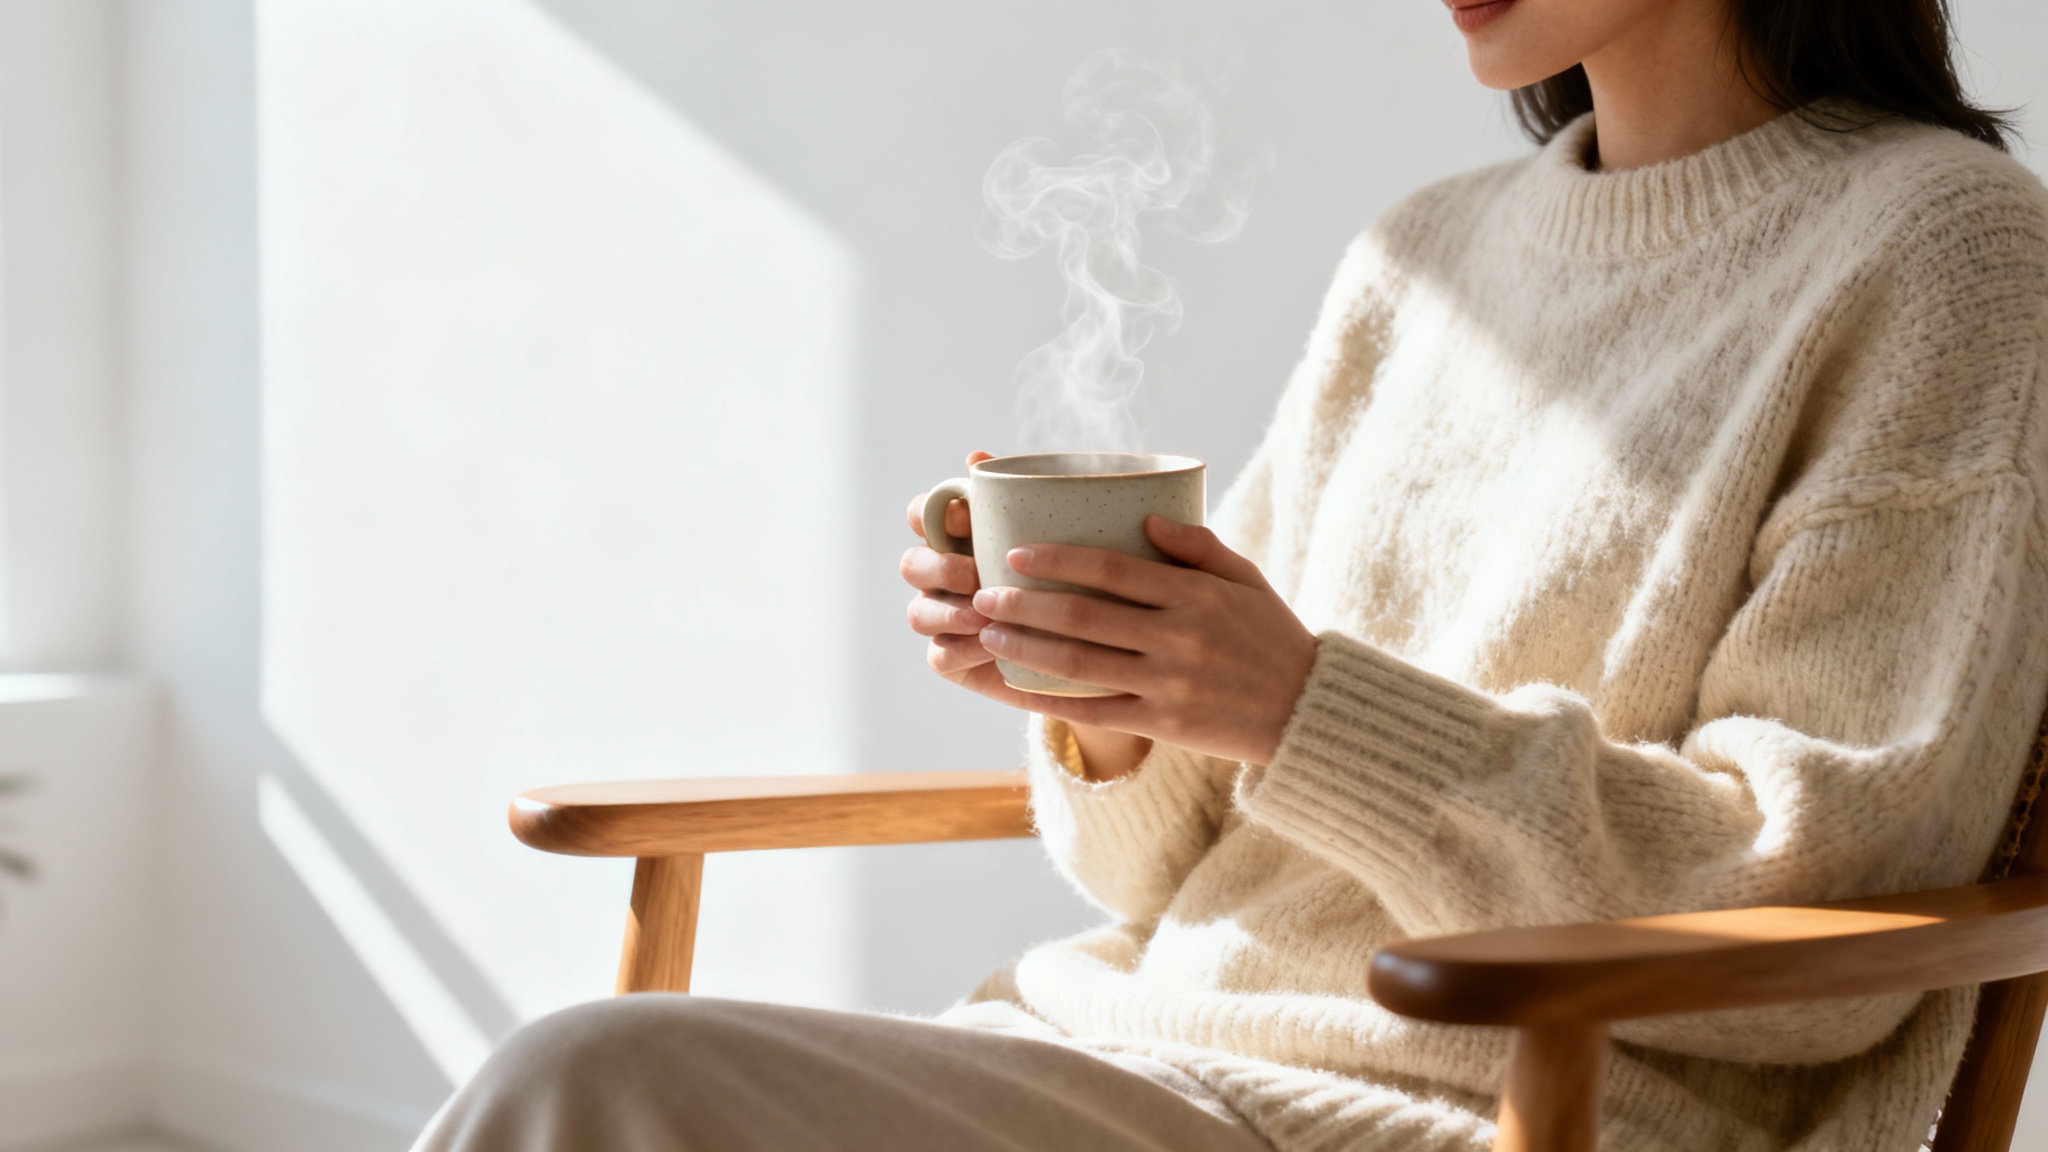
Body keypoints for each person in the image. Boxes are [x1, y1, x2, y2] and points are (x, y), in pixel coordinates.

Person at [416, 0, 2048, 1148]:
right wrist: (1112, 708)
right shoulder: (1425, 260)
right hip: (1131, 1055)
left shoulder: (1944, 252)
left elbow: (1817, 892)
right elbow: (1166, 871)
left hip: (1466, 1119)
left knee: (590, 1089)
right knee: (588, 1089)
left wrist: (1298, 708)